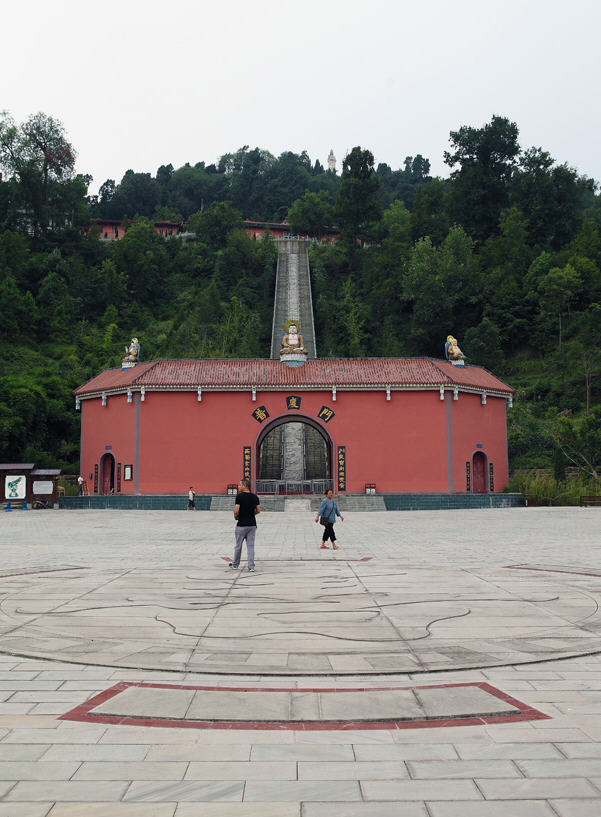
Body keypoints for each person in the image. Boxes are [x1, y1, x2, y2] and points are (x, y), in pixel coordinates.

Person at [229, 478, 261, 571]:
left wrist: (237, 517)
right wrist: (251, 514)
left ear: (244, 485)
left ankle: (235, 564)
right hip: (252, 525)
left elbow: (236, 511)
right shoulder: (255, 497)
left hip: (241, 525)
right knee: (250, 546)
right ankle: (251, 567)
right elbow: (258, 510)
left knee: (238, 546)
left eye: (239, 485)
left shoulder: (239, 497)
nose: (238, 487)